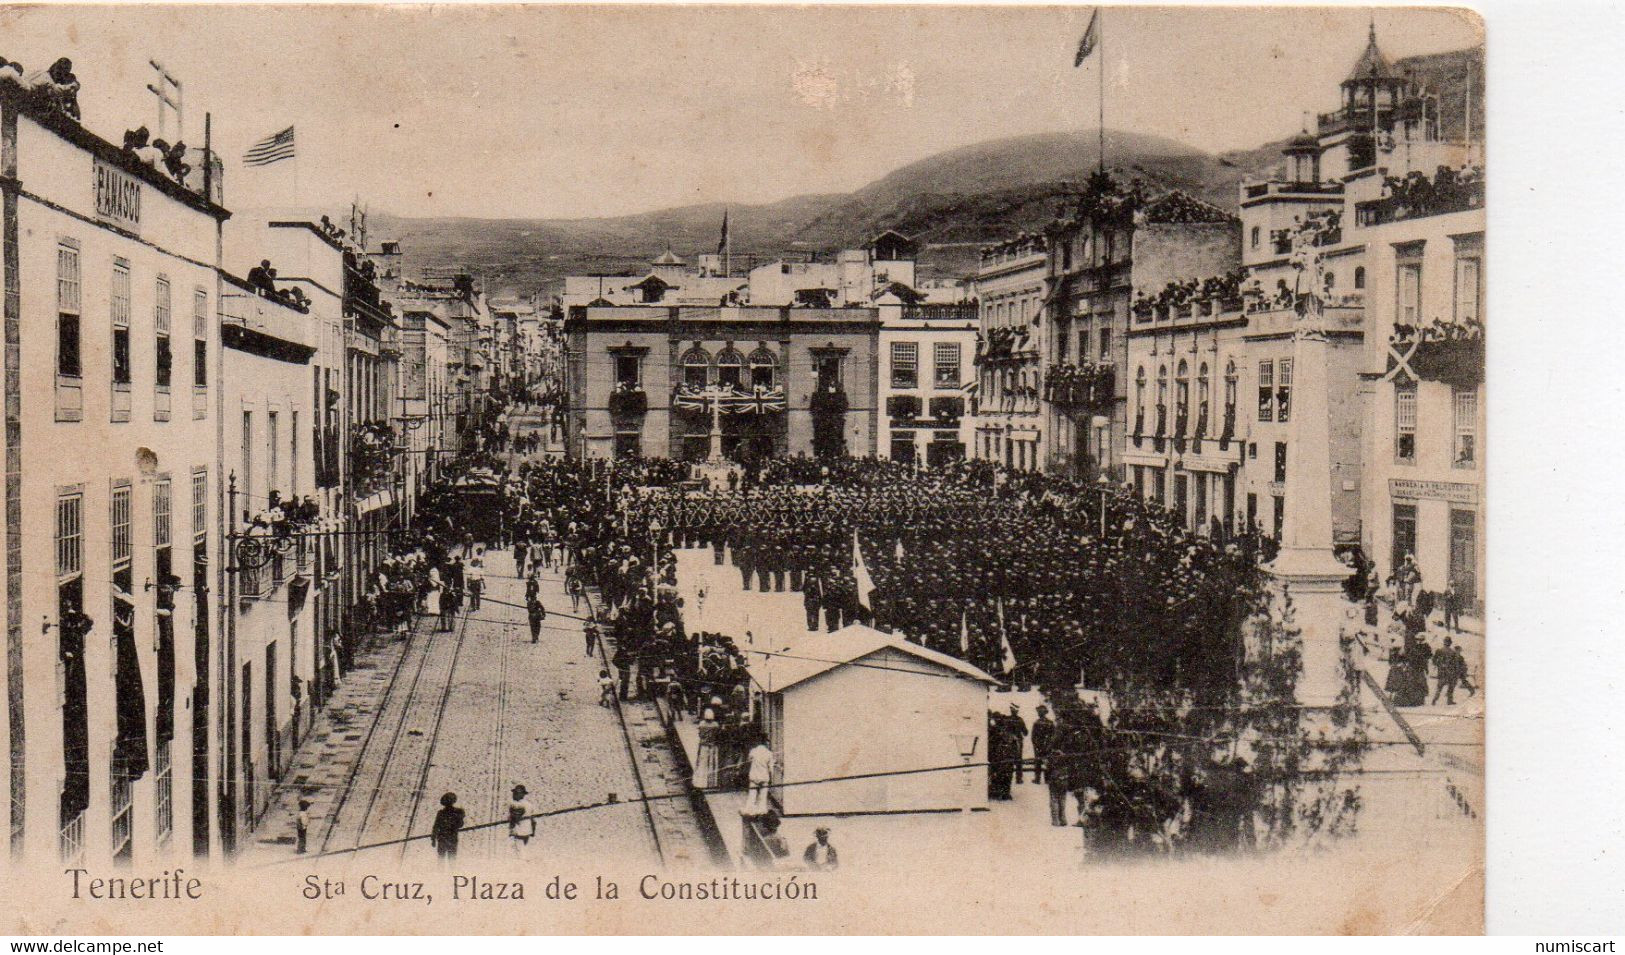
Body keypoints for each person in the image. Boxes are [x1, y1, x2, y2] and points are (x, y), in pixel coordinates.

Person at [743, 736, 776, 816]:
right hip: (764, 777)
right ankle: (762, 812)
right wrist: (772, 778)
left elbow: (748, 760)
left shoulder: (753, 751)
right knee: (763, 796)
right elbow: (771, 768)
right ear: (766, 743)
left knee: (752, 794)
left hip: (754, 776)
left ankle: (749, 811)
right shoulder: (769, 753)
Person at [430, 792, 465, 861]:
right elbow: (460, 825)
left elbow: (436, 826)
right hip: (451, 839)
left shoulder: (441, 813)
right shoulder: (456, 812)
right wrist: (461, 816)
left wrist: (433, 839)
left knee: (442, 860)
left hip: (443, 839)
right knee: (450, 860)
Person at [1030, 704, 1056, 785]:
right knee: (1047, 761)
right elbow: (1053, 736)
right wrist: (1049, 745)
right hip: (1047, 746)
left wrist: (1036, 745)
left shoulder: (1036, 723)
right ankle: (1047, 779)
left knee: (1038, 762)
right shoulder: (1050, 723)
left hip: (1039, 746)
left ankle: (1037, 779)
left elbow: (1033, 737)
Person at [507, 785, 535, 858]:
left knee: (520, 846)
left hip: (522, 827)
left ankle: (522, 860)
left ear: (522, 794)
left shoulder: (524, 804)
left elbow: (521, 815)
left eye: (517, 793)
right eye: (515, 793)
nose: (515, 794)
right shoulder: (515, 803)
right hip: (521, 827)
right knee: (520, 846)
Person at [1006, 703, 1029, 785]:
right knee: (1019, 760)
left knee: (1009, 760)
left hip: (1009, 742)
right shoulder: (1020, 720)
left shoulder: (1007, 719)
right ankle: (1018, 779)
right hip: (1018, 742)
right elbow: (1026, 732)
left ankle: (1009, 777)